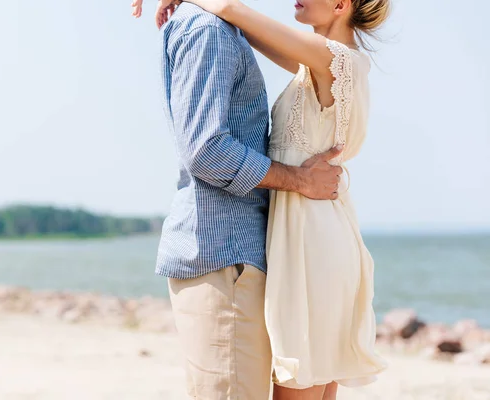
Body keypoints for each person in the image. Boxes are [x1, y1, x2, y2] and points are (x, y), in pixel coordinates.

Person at [130, 0, 385, 399]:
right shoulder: (312, 66)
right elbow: (242, 24)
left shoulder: (335, 62)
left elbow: (231, 8)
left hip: (312, 244)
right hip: (305, 238)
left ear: (341, 4)